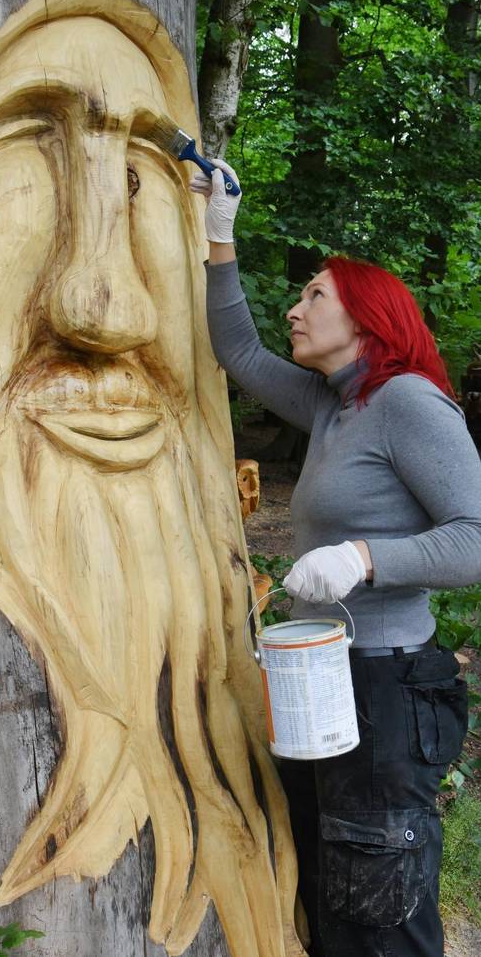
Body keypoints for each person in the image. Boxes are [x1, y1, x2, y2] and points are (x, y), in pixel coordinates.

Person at [191, 159, 481, 957]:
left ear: (367, 316)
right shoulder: (332, 405)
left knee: (379, 909)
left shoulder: (406, 403)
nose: (295, 307)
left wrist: (365, 557)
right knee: (326, 894)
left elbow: (475, 536)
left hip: (387, 690)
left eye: (315, 294)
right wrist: (221, 238)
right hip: (319, 682)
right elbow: (239, 352)